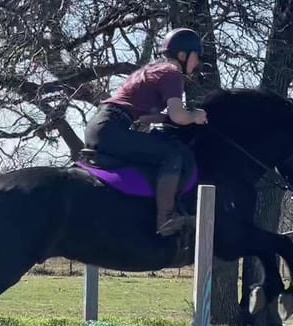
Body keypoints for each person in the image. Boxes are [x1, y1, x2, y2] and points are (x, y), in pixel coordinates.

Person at [84, 27, 209, 236]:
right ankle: (165, 219)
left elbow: (146, 117)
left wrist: (167, 117)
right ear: (182, 55)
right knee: (172, 155)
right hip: (112, 128)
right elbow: (179, 116)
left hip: (101, 125)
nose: (197, 64)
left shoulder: (152, 70)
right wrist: (194, 116)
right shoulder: (172, 74)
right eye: (196, 57)